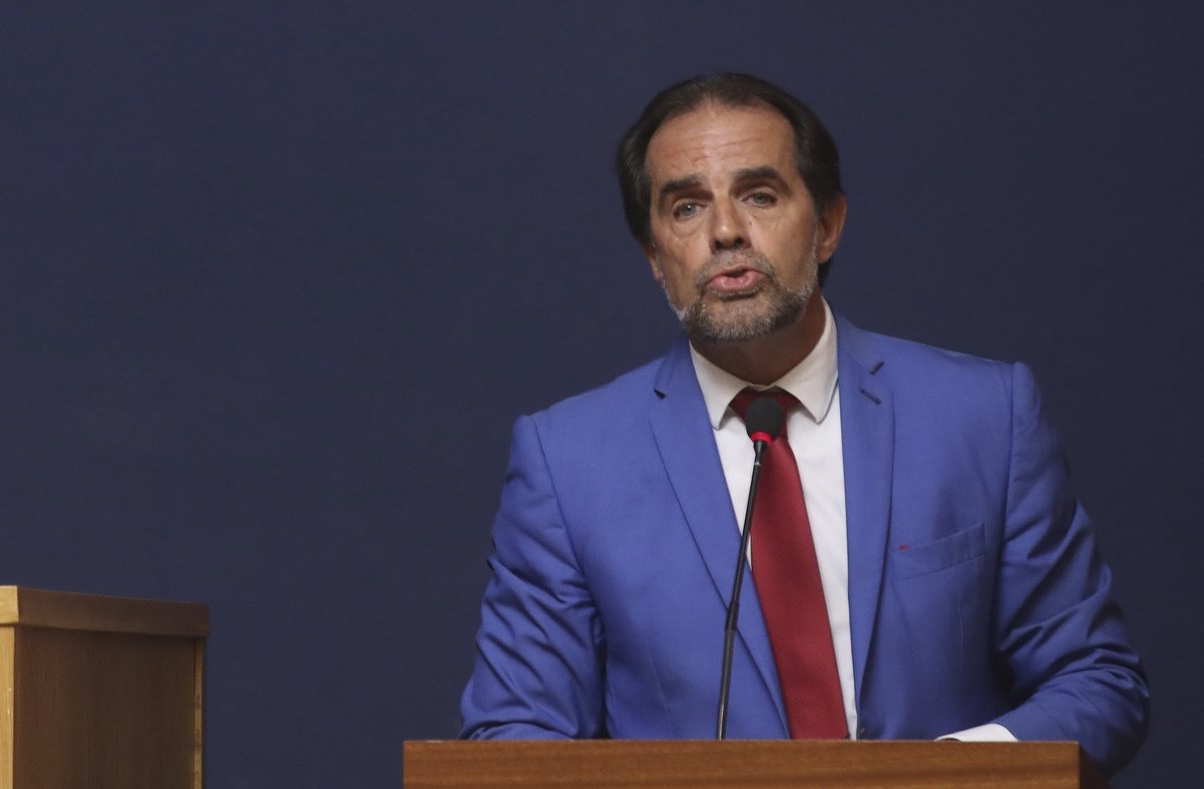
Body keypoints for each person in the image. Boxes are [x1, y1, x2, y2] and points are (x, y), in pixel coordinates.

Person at [459, 73, 1148, 777]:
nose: (725, 230)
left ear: (826, 225)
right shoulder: (567, 462)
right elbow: (516, 733)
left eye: (759, 194)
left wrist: (943, 775)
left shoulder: (984, 416)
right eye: (687, 206)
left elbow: (1095, 681)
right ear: (654, 257)